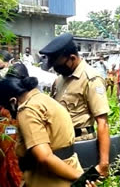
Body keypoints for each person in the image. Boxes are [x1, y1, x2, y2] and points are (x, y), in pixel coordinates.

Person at [0, 63, 83, 187]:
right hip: (68, 168)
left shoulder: (27, 110)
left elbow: (44, 157)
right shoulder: (45, 100)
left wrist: (80, 177)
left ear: (13, 101)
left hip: (49, 179)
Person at [39, 33, 110, 177]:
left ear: (72, 58)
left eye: (58, 66)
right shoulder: (60, 80)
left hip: (80, 145)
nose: (56, 70)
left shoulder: (91, 79)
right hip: (59, 145)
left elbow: (102, 123)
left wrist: (103, 164)